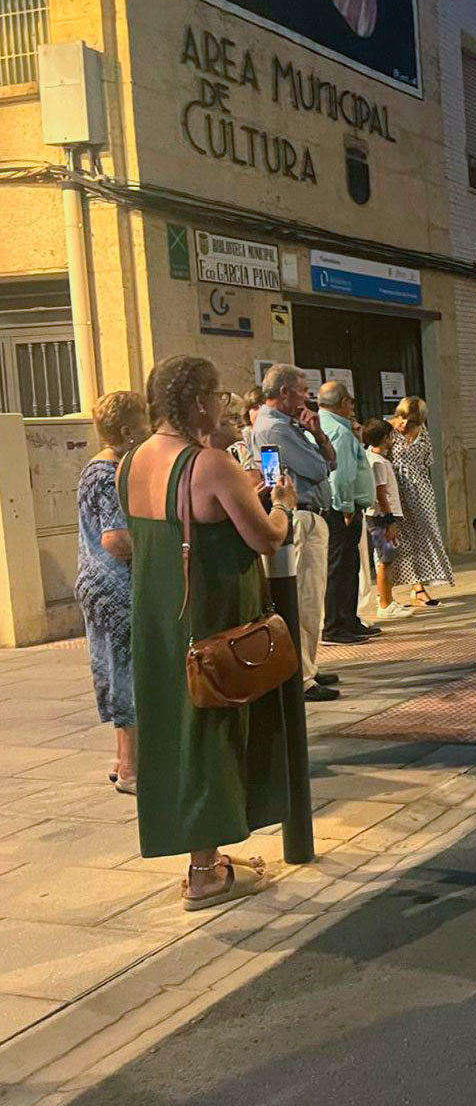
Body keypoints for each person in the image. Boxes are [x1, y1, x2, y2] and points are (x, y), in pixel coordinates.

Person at [121, 355, 296, 909]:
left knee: (175, 734)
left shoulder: (133, 461)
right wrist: (283, 507)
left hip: (157, 619)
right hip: (213, 618)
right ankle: (206, 872)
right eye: (218, 396)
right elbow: (265, 538)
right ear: (199, 402)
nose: (224, 406)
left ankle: (208, 856)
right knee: (212, 735)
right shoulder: (210, 463)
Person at [254, 364, 343, 701]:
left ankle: (309, 662)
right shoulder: (274, 429)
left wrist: (318, 435)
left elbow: (330, 461)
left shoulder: (293, 426)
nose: (307, 397)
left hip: (313, 515)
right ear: (284, 392)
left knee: (313, 596)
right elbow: (319, 468)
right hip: (301, 517)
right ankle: (302, 675)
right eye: (303, 390)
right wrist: (318, 451)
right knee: (305, 597)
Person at [77, 390, 150, 794]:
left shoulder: (101, 467)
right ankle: (130, 770)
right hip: (115, 588)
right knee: (127, 674)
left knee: (119, 670)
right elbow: (116, 540)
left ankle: (128, 760)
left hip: (102, 585)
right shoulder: (107, 474)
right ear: (127, 431)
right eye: (144, 422)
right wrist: (160, 544)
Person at [318, 381, 379, 644]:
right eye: (351, 402)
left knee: (348, 565)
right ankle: (335, 625)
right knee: (341, 567)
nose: (353, 408)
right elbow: (341, 474)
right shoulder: (340, 432)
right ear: (343, 403)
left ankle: (348, 619)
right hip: (343, 509)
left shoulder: (326, 425)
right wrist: (345, 506)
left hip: (343, 507)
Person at [388, 396, 456, 607]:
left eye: (412, 420)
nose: (406, 424)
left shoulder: (423, 433)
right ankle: (389, 591)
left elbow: (428, 461)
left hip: (420, 490)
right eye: (403, 417)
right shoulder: (387, 429)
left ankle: (419, 588)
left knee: (426, 535)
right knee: (399, 539)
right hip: (395, 489)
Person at [362, 418, 410, 620]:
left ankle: (388, 598)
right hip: (381, 517)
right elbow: (381, 493)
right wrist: (390, 519)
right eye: (390, 436)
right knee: (385, 559)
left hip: (383, 516)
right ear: (384, 439)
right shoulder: (377, 463)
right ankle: (385, 603)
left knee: (388, 558)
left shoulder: (375, 459)